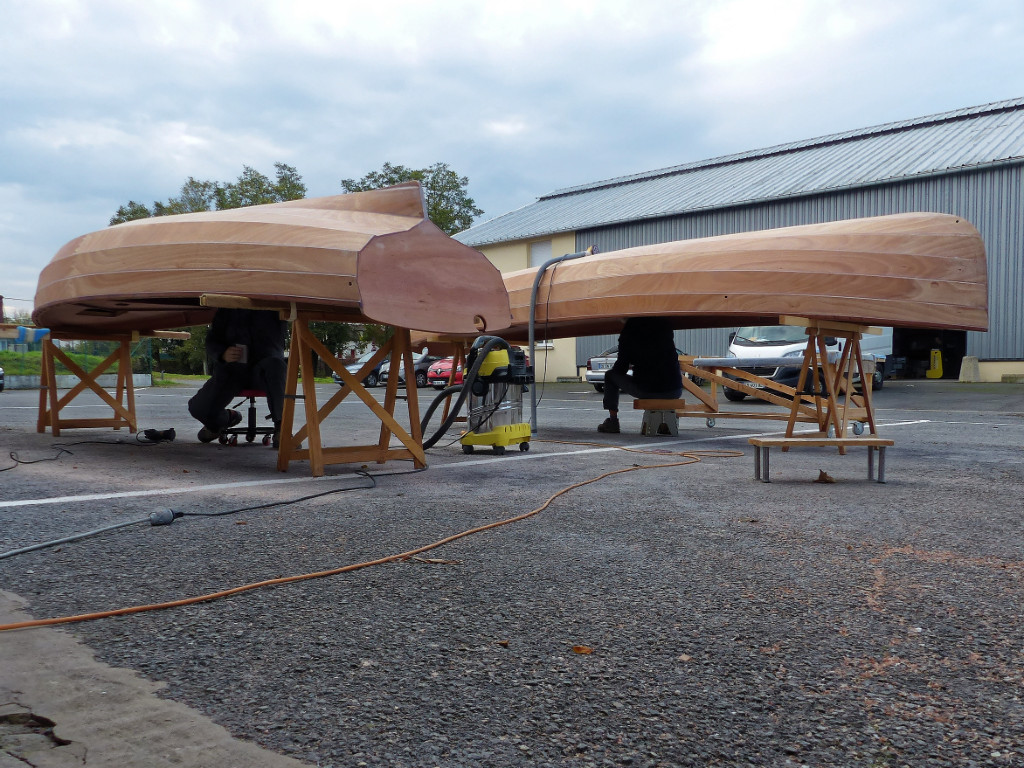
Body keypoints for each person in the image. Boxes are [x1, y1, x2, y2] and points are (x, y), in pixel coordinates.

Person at [188, 308, 288, 446]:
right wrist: (222, 353)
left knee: (276, 365)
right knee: (198, 408)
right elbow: (212, 340)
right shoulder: (227, 308)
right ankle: (224, 420)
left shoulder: (274, 303)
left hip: (265, 368)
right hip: (233, 369)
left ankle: (283, 429)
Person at [598, 316, 683, 434]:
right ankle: (665, 424)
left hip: (647, 390)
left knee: (610, 376)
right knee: (667, 376)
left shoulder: (629, 333)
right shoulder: (665, 324)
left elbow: (620, 369)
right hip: (675, 390)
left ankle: (613, 422)